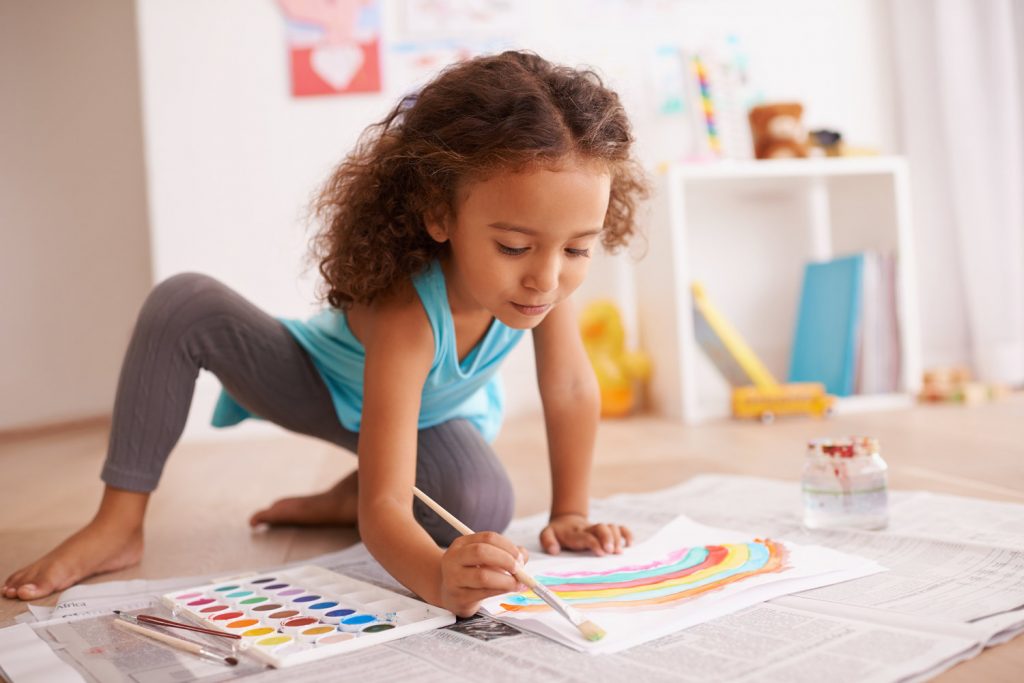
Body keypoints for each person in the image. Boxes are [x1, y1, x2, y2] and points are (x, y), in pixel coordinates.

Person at [3, 51, 648, 617]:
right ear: (437, 211)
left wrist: (570, 512)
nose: (546, 276)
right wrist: (431, 578)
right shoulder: (409, 314)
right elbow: (388, 511)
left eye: (577, 249)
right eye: (513, 246)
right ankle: (118, 522)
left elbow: (567, 388)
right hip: (313, 383)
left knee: (481, 501)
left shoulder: (545, 281)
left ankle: (345, 491)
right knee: (185, 303)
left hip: (422, 422)